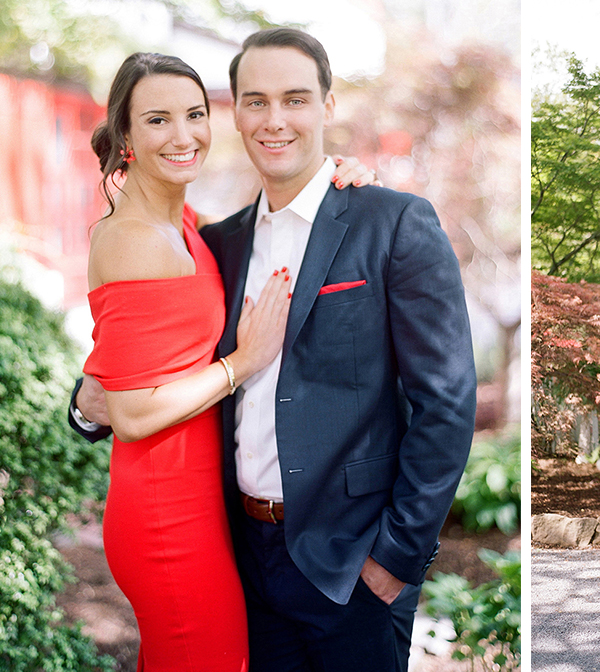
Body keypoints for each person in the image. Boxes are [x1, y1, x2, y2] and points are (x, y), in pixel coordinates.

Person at [73, 28, 476, 672]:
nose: (275, 119)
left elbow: (447, 403)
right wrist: (88, 402)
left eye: (295, 98)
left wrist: (396, 558)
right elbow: (144, 346)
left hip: (352, 567)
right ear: (235, 112)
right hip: (237, 555)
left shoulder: (393, 221)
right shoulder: (221, 241)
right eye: (255, 101)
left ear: (327, 106)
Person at [81, 52, 293, 671]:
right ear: (125, 136)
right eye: (157, 120)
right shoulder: (133, 238)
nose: (183, 135)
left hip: (197, 501)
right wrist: (242, 362)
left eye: (195, 115)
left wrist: (343, 177)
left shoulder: (184, 222)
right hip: (163, 514)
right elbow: (132, 413)